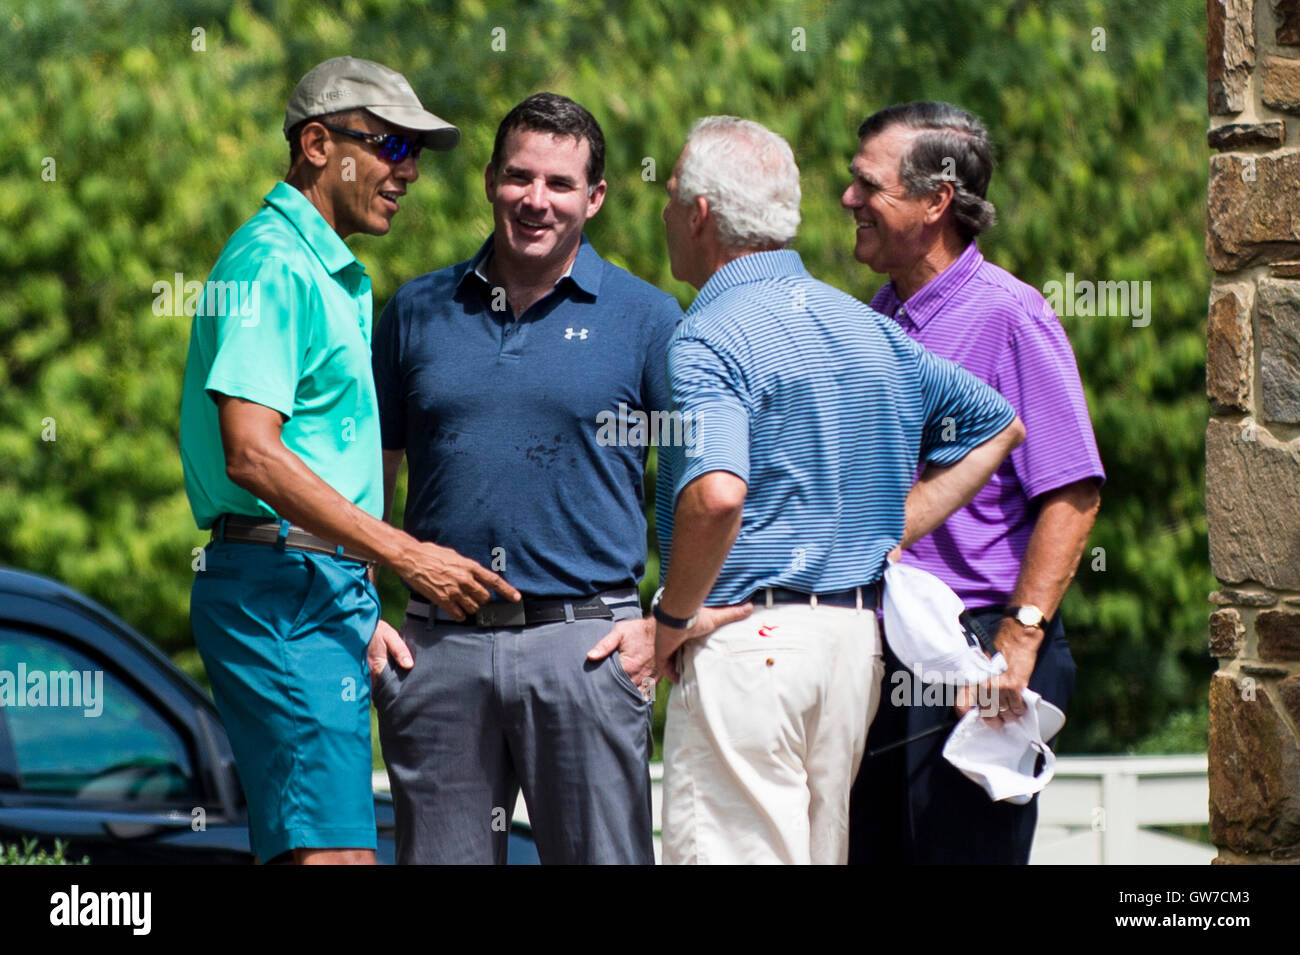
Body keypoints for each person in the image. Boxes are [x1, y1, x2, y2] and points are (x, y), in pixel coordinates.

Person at [652, 116, 1027, 865]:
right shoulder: (868, 327)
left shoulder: (709, 332)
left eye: (669, 199)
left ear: (699, 215)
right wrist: (888, 525)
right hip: (854, 647)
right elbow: (1000, 427)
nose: (664, 214)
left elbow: (717, 495)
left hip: (747, 640)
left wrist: (670, 617)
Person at [180, 56, 517, 865]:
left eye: (417, 154)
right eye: (390, 146)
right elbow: (253, 455)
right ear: (319, 144)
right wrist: (405, 556)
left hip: (316, 590)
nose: (407, 171)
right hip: (282, 598)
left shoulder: (323, 267)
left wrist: (358, 588)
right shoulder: (271, 263)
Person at [369, 92, 705, 864]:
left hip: (587, 647)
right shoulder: (415, 311)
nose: (536, 200)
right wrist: (365, 609)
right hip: (437, 653)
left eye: (559, 184)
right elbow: (369, 482)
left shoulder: (648, 318)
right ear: (489, 180)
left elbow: (700, 490)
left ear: (596, 198)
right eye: (520, 177)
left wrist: (667, 623)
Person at [841, 101, 1104, 865]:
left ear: (935, 201)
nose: (849, 200)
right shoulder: (878, 316)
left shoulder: (1012, 317)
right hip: (893, 648)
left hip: (982, 649)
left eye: (868, 185)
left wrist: (1019, 641)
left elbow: (1074, 492)